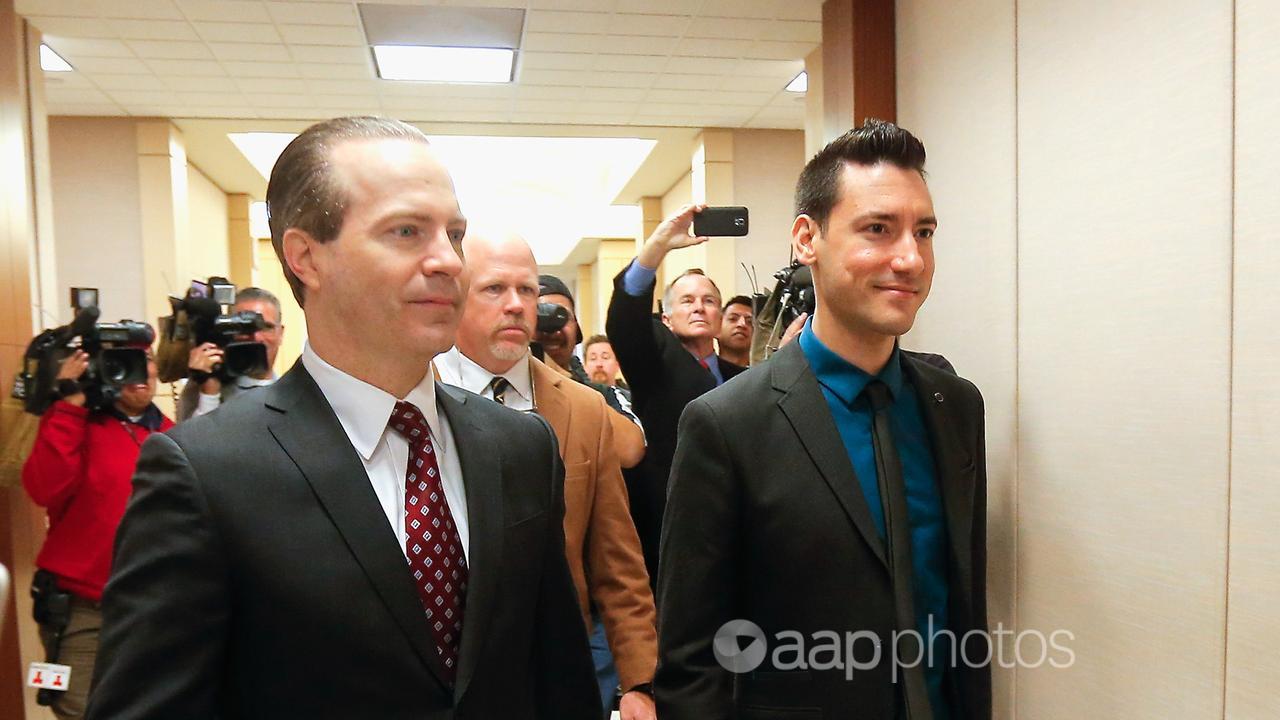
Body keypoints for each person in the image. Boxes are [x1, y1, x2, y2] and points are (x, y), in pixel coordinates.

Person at [85, 116, 599, 720]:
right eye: (407, 231)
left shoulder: (519, 447)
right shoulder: (207, 473)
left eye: (454, 234)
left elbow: (558, 676)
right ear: (306, 257)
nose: (448, 261)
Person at [655, 120, 991, 720]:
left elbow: (961, 604)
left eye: (925, 232)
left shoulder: (955, 405)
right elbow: (693, 660)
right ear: (807, 239)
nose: (910, 258)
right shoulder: (727, 424)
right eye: (878, 230)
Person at [437, 231, 658, 720]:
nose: (516, 305)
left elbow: (618, 561)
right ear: (455, 296)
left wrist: (639, 682)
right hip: (441, 673)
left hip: (555, 672)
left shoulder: (583, 410)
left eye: (528, 290)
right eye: (494, 289)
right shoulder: (411, 397)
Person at [22, 338, 172, 719]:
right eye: (126, 362)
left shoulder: (171, 434)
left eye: (147, 360)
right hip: (83, 610)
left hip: (154, 607)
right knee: (79, 710)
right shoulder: (76, 423)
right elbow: (43, 488)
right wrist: (70, 405)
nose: (141, 372)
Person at [604, 212, 747, 581]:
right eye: (686, 301)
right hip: (673, 524)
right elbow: (625, 321)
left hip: (740, 524)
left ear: (719, 317)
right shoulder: (654, 361)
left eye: (709, 301)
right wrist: (659, 246)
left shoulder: (743, 379)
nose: (699, 307)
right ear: (665, 319)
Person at [536, 275, 646, 470]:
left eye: (561, 316)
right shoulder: (504, 389)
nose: (552, 328)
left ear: (576, 328)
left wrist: (559, 379)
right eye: (540, 316)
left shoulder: (604, 395)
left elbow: (630, 451)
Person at [176, 286, 285, 421]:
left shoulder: (292, 393)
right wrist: (209, 393)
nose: (257, 337)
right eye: (245, 327)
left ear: (280, 333)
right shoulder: (205, 384)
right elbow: (193, 440)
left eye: (266, 327)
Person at [716, 295, 754, 367]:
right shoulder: (702, 373)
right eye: (733, 319)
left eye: (749, 321)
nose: (742, 324)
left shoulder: (764, 375)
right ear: (717, 329)